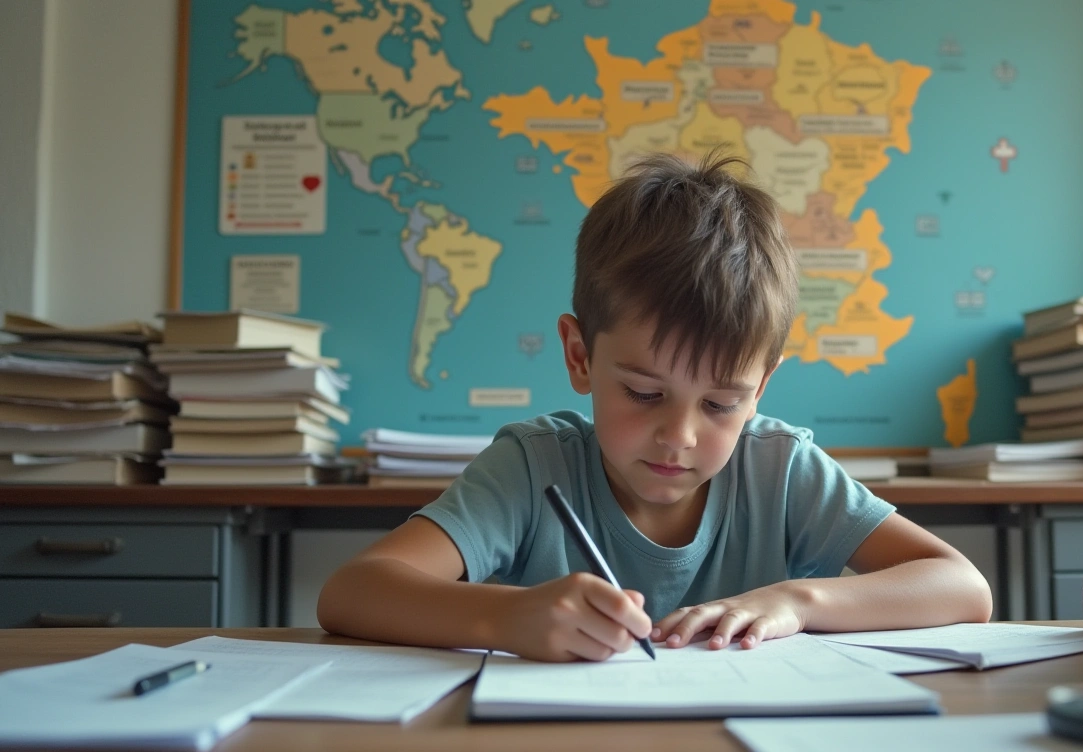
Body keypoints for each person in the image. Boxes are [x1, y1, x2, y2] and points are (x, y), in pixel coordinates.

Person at [318, 152, 992, 662]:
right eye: (644, 393)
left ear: (761, 389)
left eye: (724, 403)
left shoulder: (779, 467)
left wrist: (798, 600)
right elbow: (353, 592)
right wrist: (506, 618)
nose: (680, 436)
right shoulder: (533, 466)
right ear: (580, 357)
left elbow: (962, 588)